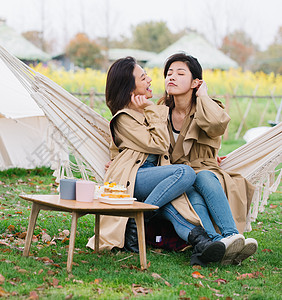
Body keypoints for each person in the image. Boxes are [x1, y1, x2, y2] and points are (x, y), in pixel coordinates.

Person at [87, 56, 225, 266]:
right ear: (130, 87)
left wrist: (205, 155)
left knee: (175, 208)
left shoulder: (143, 113)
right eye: (143, 78)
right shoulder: (124, 118)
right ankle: (141, 216)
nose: (150, 80)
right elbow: (160, 144)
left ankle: (203, 243)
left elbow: (171, 146)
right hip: (136, 178)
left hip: (157, 176)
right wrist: (152, 110)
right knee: (184, 174)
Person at [158, 53, 258, 265]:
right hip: (174, 174)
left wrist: (202, 96)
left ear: (196, 82)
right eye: (168, 73)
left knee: (202, 177)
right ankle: (219, 242)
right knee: (190, 185)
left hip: (206, 171)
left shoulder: (210, 106)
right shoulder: (160, 111)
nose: (172, 77)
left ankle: (229, 236)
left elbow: (216, 126)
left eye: (180, 73)